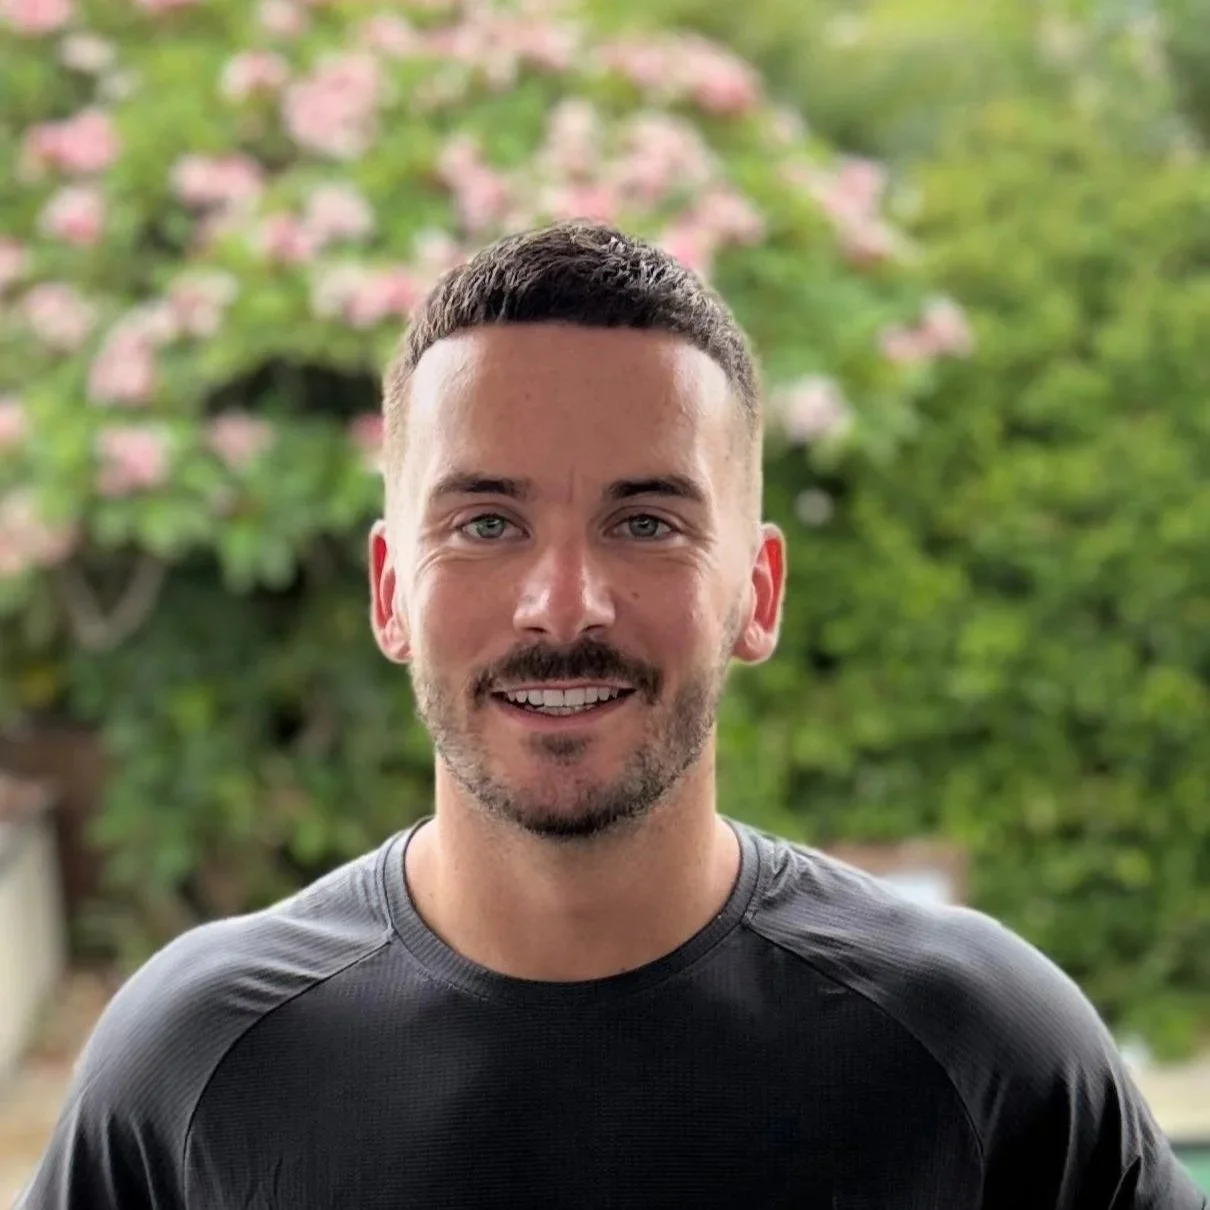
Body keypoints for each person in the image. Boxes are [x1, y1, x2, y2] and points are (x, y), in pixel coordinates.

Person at [17, 221, 1204, 1210]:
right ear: (390, 591)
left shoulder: (988, 1054)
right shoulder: (191, 1070)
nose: (563, 604)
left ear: (758, 592)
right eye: (486, 522)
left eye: (646, 522)